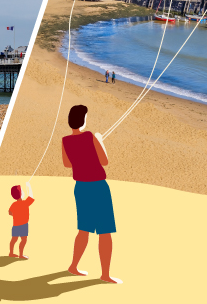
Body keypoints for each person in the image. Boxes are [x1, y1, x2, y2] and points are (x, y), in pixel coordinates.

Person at [62, 105, 120, 284]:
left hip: (80, 188)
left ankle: (73, 266)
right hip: (97, 187)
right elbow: (105, 161)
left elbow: (67, 164)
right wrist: (100, 141)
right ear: (83, 120)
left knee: (84, 229)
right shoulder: (90, 136)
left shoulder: (65, 140)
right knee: (105, 231)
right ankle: (105, 274)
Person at [9, 182, 34, 259]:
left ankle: (11, 253)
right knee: (23, 240)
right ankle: (21, 255)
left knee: (14, 239)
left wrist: (16, 216)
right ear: (21, 194)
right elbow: (31, 196)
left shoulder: (13, 204)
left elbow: (10, 212)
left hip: (15, 225)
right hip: (23, 225)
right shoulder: (25, 203)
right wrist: (29, 187)